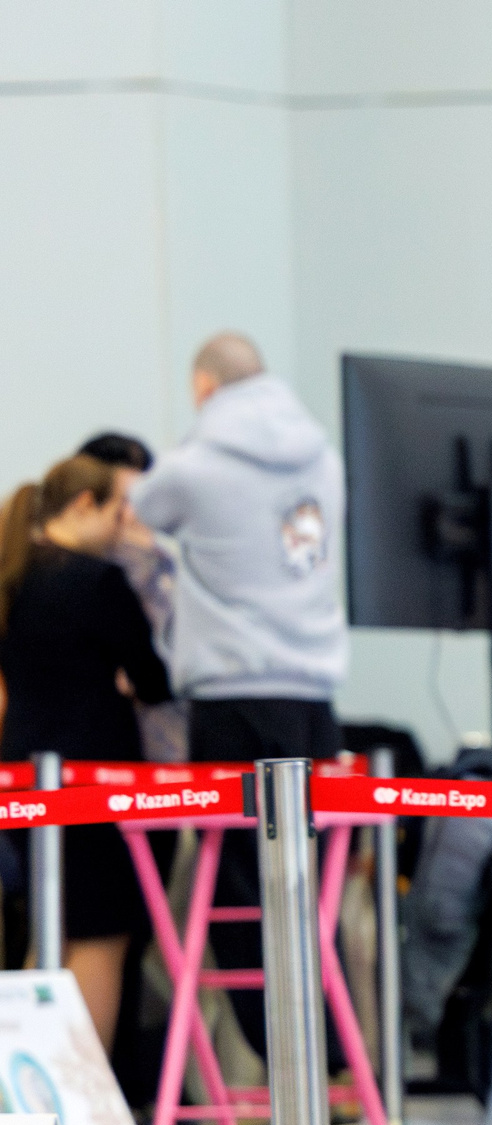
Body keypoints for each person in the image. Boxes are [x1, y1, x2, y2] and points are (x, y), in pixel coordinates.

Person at [129, 332, 346, 1054]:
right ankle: (330, 1065)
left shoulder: (197, 465)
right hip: (314, 698)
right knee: (312, 893)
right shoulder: (326, 460)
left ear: (203, 389)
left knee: (239, 892)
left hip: (231, 695)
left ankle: (276, 1060)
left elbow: (145, 509)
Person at [0, 455, 174, 1045]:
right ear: (83, 505)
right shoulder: (96, 582)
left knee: (48, 937)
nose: (128, 522)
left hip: (25, 772)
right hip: (95, 781)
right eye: (119, 508)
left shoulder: (14, 574)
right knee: (99, 942)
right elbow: (153, 677)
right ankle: (78, 1105)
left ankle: (23, 1101)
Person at [75, 433, 184, 763]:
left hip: (171, 748)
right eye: (123, 500)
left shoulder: (169, 566)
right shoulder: (77, 577)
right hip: (98, 752)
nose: (135, 514)